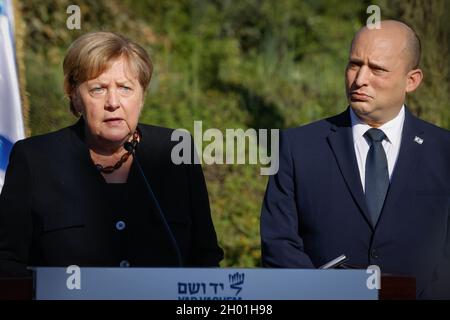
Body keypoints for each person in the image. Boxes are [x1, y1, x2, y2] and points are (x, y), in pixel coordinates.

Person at [0, 32, 223, 277]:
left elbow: (206, 256)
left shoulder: (176, 152)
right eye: (98, 89)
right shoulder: (35, 159)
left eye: (126, 88)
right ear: (74, 96)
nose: (113, 102)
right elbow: (8, 261)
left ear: (142, 96)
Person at [261, 20, 450, 299]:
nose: (360, 79)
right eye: (354, 64)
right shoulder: (296, 148)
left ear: (412, 80)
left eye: (377, 69)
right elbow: (279, 246)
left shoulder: (443, 150)